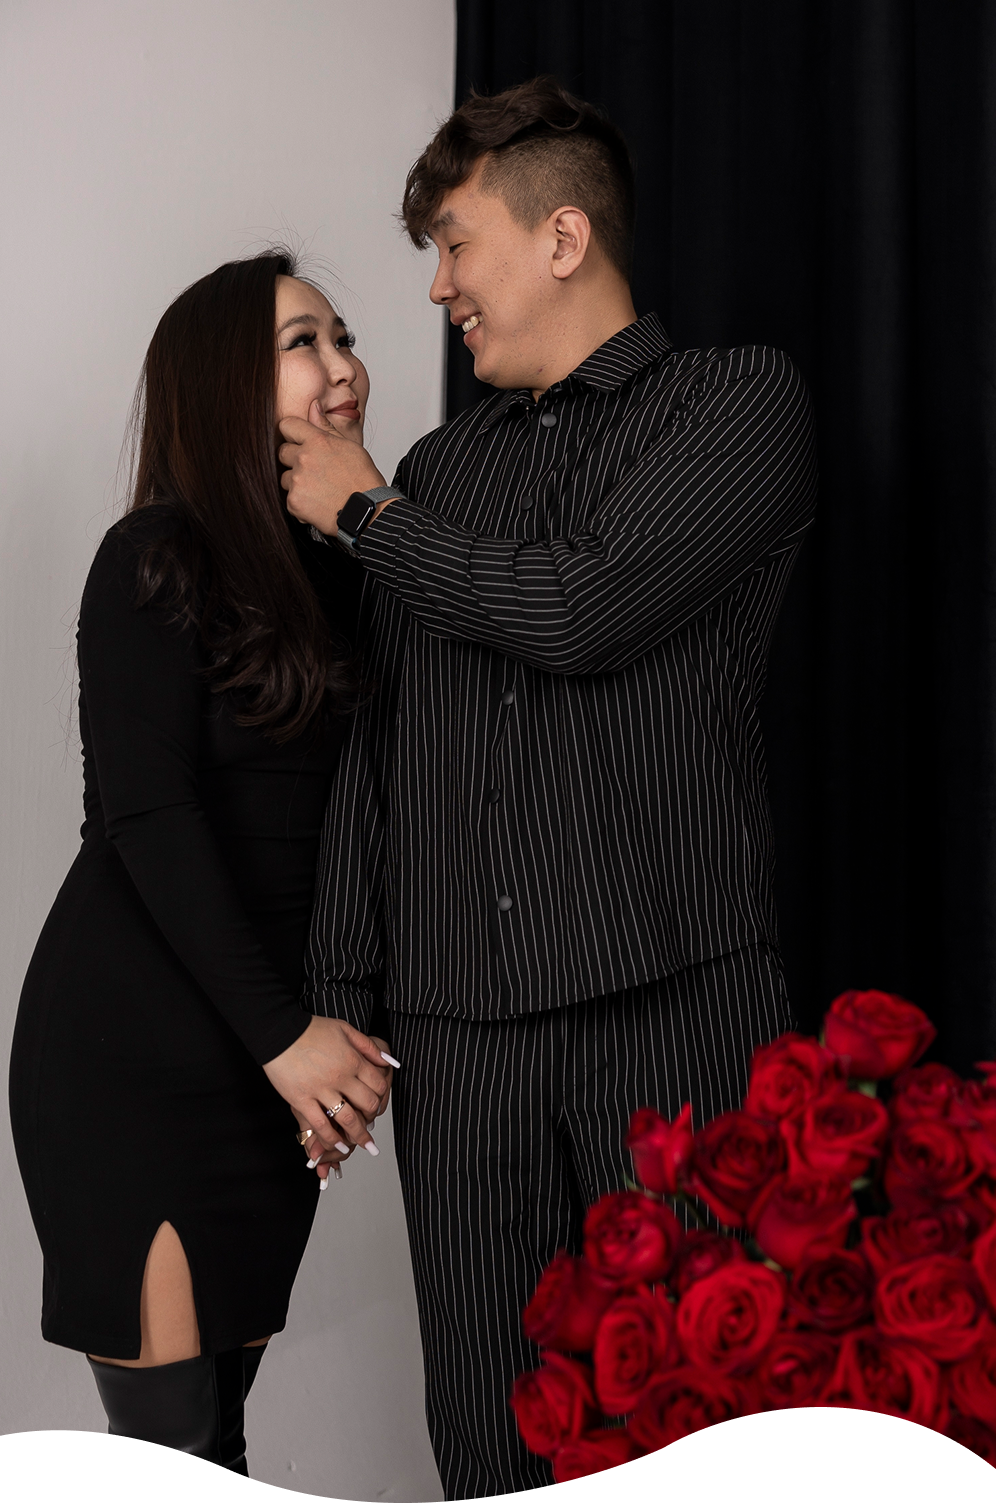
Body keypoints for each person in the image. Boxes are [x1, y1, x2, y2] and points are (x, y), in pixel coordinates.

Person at [279, 76, 818, 1498]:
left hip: (677, 1007)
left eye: (455, 246)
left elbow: (580, 609)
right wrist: (336, 994)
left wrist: (364, 510)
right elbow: (383, 752)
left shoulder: (738, 402)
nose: (438, 289)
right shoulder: (437, 469)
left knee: (706, 1412)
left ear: (561, 237)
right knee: (489, 1440)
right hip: (457, 1039)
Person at [8, 249, 397, 1479]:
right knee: (172, 1440)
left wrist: (326, 1038)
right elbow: (150, 816)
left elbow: (385, 823)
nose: (342, 366)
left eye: (344, 337)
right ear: (221, 380)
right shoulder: (154, 556)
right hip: (139, 1052)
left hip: (272, 1061)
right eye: (301, 343)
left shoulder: (356, 572)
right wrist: (290, 1041)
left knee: (217, 1435)